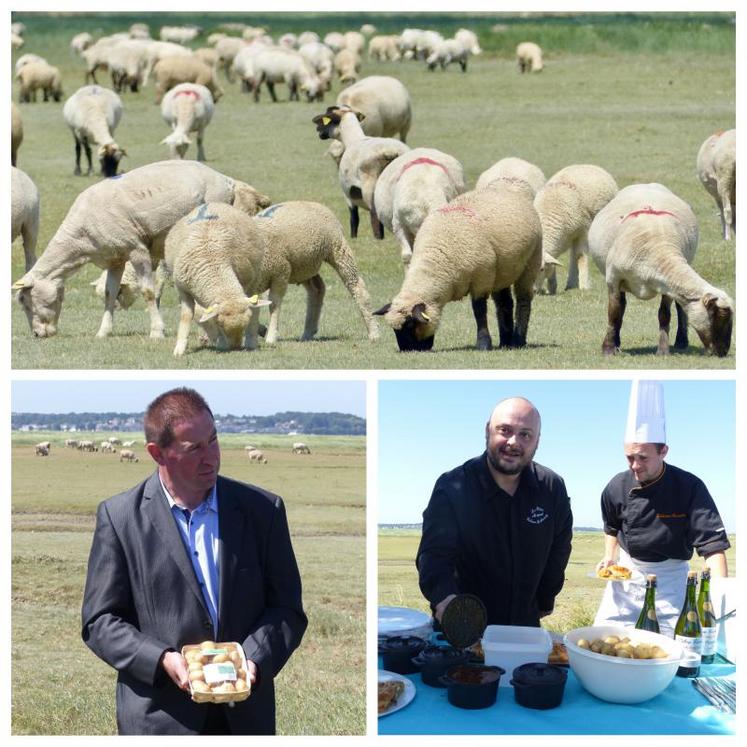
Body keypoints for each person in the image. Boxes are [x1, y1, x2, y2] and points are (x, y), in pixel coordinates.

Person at [81, 387, 307, 735]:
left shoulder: (264, 510)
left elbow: (286, 607)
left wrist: (253, 661)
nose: (211, 457)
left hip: (244, 719)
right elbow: (100, 621)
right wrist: (162, 659)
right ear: (158, 453)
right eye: (194, 449)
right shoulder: (120, 517)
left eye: (214, 441)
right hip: (160, 720)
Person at [416, 396, 573, 628]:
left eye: (525, 434)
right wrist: (446, 599)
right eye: (504, 430)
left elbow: (559, 550)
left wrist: (545, 598)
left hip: (524, 630)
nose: (513, 442)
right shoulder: (453, 486)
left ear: (537, 441)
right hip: (462, 631)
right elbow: (434, 557)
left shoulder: (551, 488)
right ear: (488, 430)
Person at [594, 380, 730, 636]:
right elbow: (611, 526)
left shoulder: (689, 487)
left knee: (669, 650)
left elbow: (713, 548)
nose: (635, 466)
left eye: (643, 458)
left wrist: (718, 599)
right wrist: (610, 556)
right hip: (626, 581)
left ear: (664, 451)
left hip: (670, 583)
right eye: (629, 457)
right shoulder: (616, 486)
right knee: (605, 644)